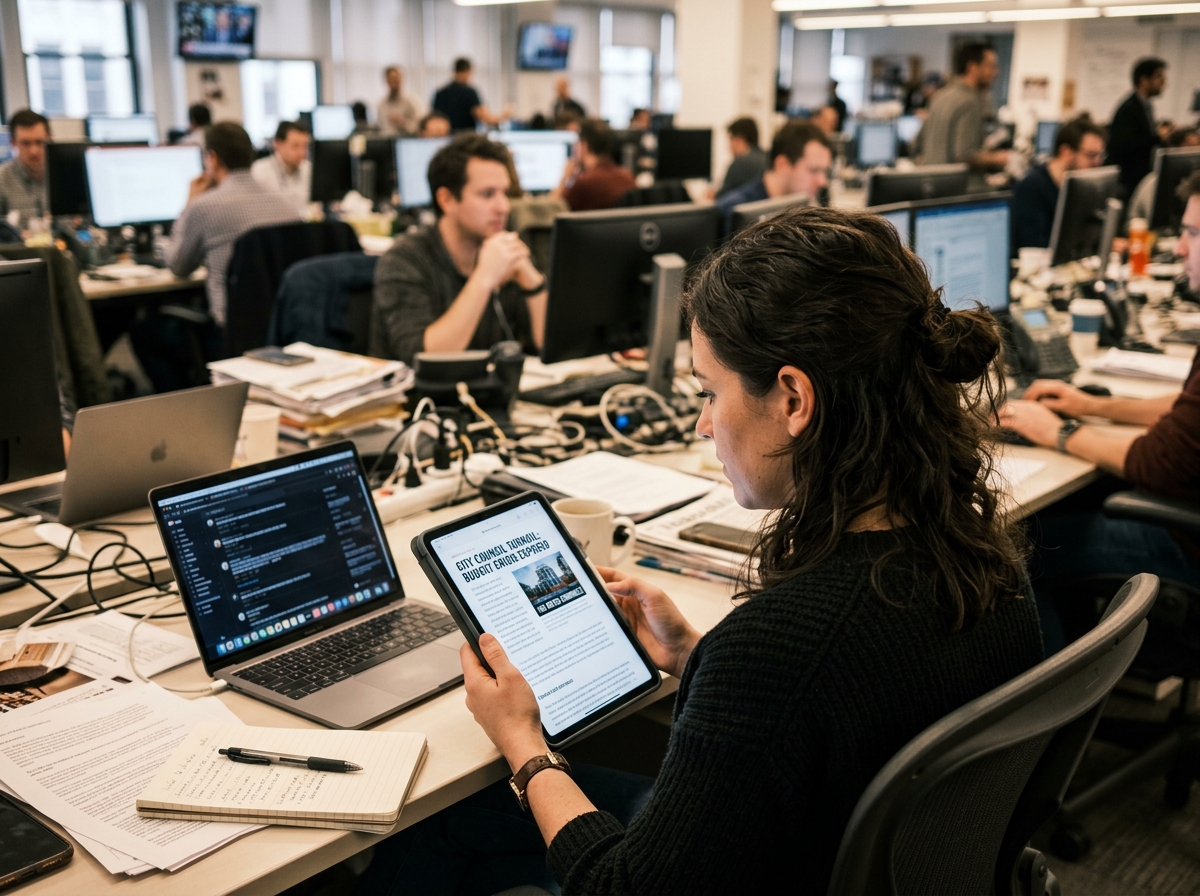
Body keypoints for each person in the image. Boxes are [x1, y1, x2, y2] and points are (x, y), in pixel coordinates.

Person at [358, 204, 1044, 895]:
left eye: (711, 391)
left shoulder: (780, 649)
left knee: (432, 836)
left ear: (794, 400)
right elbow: (845, 707)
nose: (701, 423)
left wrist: (523, 743)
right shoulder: (987, 563)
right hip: (840, 857)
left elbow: (620, 889)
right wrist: (697, 655)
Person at [998, 170, 1200, 653]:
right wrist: (1091, 405)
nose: (1180, 248)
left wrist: (1058, 432)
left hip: (1186, 545)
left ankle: (1057, 691)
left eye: (1193, 233)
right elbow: (1185, 408)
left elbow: (1161, 461)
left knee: (1006, 554)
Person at [370, 134, 546, 366]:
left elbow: (548, 346)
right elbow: (424, 358)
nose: (503, 207)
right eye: (487, 194)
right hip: (420, 390)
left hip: (491, 387)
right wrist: (484, 278)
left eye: (505, 193)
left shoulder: (504, 249)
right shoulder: (404, 260)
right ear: (447, 200)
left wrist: (532, 282)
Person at [715, 120, 832, 235]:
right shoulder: (732, 212)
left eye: (824, 171)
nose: (822, 181)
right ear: (782, 164)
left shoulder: (801, 209)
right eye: (814, 170)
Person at [1012, 118, 1106, 251]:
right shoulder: (1031, 188)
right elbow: (1033, 246)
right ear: (1066, 152)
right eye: (1091, 155)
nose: (1097, 162)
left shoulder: (1082, 186)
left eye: (1100, 156)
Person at [916, 43, 1008, 171]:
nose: (996, 72)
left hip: (933, 179)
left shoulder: (939, 96)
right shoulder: (969, 101)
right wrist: (1000, 158)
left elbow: (917, 144)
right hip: (957, 181)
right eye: (991, 66)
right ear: (972, 68)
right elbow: (964, 154)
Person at [1107, 57, 1171, 198]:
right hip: (1128, 182)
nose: (1164, 83)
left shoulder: (1145, 105)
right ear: (1144, 80)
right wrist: (1157, 137)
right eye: (1159, 77)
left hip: (1138, 178)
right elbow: (1126, 146)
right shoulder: (1129, 109)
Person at [552, 119, 635, 212]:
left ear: (584, 146)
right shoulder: (627, 177)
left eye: (576, 143)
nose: (574, 147)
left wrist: (564, 178)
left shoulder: (583, 183)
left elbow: (552, 209)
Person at [1126, 127, 1200, 223]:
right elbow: (1155, 219)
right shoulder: (1154, 183)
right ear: (1173, 149)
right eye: (1190, 146)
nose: (1196, 150)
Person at [250, 120, 312, 213]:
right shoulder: (259, 171)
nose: (302, 152)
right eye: (295, 146)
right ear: (278, 144)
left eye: (305, 146)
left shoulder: (309, 169)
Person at [0, 109, 49, 224]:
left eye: (39, 142)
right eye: (25, 143)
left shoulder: (66, 174)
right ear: (13, 143)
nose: (34, 151)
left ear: (49, 138)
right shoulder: (2, 179)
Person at [432, 58, 507, 132]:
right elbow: (485, 118)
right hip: (467, 136)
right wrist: (504, 115)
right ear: (468, 71)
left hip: (446, 137)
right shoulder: (470, 92)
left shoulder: (440, 93)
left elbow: (434, 120)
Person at [716, 117, 768, 198]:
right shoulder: (768, 158)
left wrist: (713, 195)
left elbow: (721, 198)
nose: (729, 146)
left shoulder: (738, 164)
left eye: (730, 139)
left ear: (739, 139)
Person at [378, 66, 421, 137]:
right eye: (392, 79)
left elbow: (421, 125)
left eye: (397, 78)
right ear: (387, 81)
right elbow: (381, 127)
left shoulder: (412, 101)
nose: (395, 82)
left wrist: (403, 123)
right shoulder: (381, 104)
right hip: (387, 140)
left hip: (407, 140)